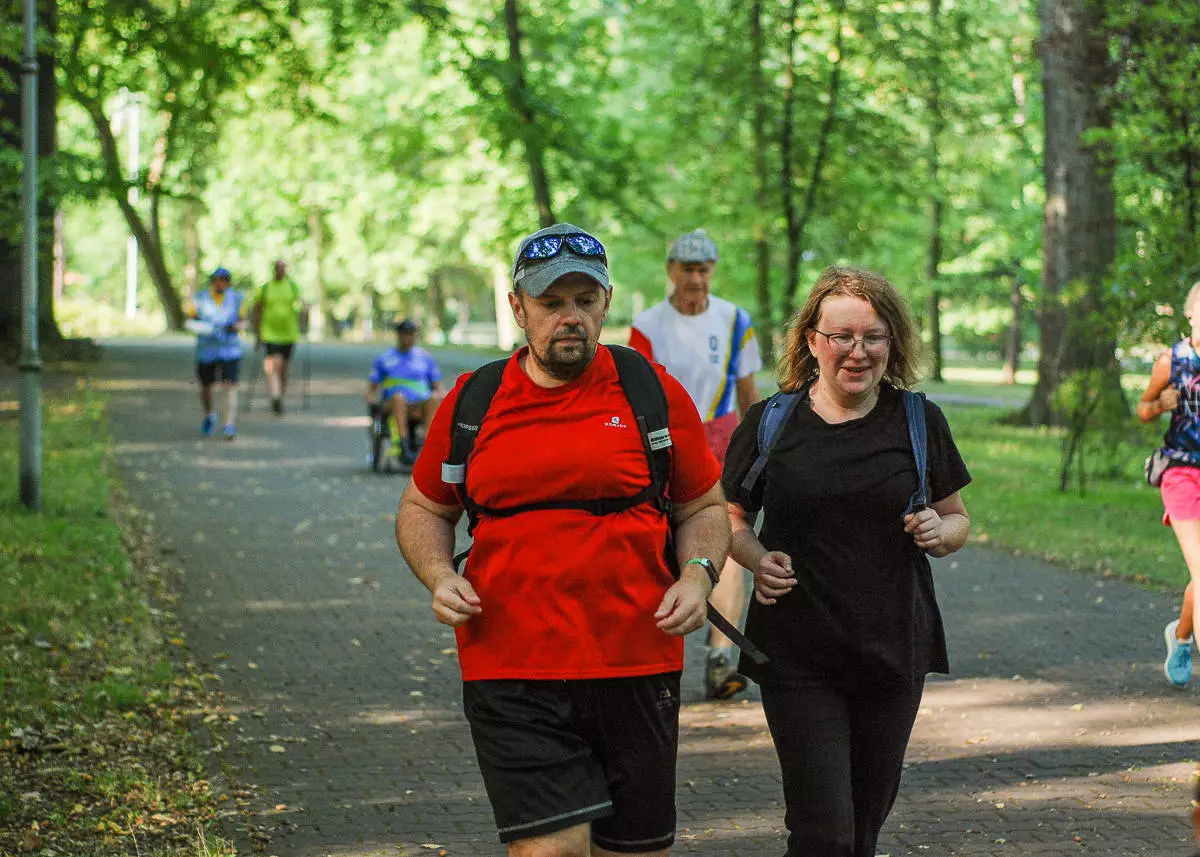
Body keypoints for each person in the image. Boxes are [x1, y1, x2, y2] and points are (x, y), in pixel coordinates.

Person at [395, 223, 730, 856]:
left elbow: (702, 506)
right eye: (551, 303)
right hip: (510, 663)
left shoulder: (650, 392)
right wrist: (440, 576)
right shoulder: (475, 400)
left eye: (584, 300)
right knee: (552, 850)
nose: (569, 317)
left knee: (635, 851)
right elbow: (422, 507)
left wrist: (698, 574)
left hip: (637, 659)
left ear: (606, 303)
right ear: (519, 308)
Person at [721, 265, 971, 857]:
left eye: (873, 337)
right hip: (798, 654)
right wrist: (757, 558)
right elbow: (728, 519)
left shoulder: (917, 420)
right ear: (813, 341)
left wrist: (941, 530)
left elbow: (957, 518)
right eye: (842, 336)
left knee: (861, 831)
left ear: (892, 343)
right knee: (823, 832)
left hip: (892, 652)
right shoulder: (771, 422)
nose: (857, 352)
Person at [629, 227, 763, 700]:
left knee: (723, 543)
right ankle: (646, 664)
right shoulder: (647, 326)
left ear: (713, 272)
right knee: (656, 550)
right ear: (671, 271)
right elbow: (635, 397)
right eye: (687, 269)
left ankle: (720, 657)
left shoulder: (734, 320)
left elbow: (749, 396)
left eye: (704, 269)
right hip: (663, 451)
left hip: (722, 447)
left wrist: (762, 455)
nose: (695, 278)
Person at [1136, 279, 1200, 688]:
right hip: (1180, 472)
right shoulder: (1171, 360)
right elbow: (1143, 409)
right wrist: (1160, 405)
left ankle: (1180, 637)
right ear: (1191, 315)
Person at [366, 318, 444, 464]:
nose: (408, 338)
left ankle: (429, 447)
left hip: (420, 405)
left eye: (411, 334)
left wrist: (442, 396)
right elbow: (371, 389)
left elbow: (438, 387)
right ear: (398, 335)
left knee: (433, 398)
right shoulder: (385, 359)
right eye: (404, 334)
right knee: (399, 398)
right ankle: (403, 444)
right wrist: (372, 403)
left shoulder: (425, 358)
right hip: (393, 405)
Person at [186, 267, 247, 440]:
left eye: (224, 280)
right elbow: (190, 320)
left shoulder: (236, 298)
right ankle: (210, 415)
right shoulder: (200, 298)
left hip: (230, 350)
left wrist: (237, 327)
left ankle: (228, 424)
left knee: (230, 386)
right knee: (206, 386)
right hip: (207, 350)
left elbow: (243, 322)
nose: (220, 283)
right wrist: (201, 327)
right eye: (217, 280)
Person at [250, 259, 308, 416]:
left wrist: (304, 320)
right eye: (278, 268)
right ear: (274, 270)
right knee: (272, 365)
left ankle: (279, 395)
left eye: (283, 268)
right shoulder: (265, 288)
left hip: (289, 334)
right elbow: (257, 309)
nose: (281, 271)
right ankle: (275, 395)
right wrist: (256, 332)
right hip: (269, 333)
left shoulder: (292, 286)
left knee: (283, 368)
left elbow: (302, 304)